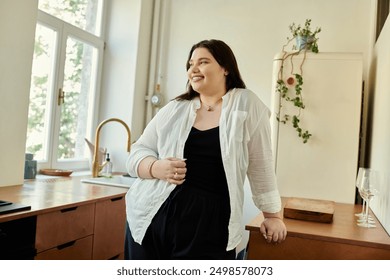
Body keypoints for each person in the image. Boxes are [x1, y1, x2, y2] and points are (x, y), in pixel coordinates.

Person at [124, 39, 287, 260]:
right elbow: (137, 152)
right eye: (191, 64)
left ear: (226, 68)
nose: (194, 69)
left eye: (203, 62)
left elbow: (261, 165)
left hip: (210, 225)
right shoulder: (174, 109)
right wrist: (155, 167)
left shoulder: (246, 105)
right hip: (150, 216)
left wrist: (273, 216)